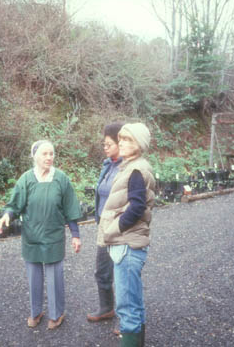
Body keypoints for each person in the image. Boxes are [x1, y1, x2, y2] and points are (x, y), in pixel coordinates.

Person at [0, 140, 82, 330]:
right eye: (44, 154)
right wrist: (6, 216)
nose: (49, 157)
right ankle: (36, 313)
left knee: (55, 278)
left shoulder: (61, 179)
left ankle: (56, 314)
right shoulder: (26, 179)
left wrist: (75, 235)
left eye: (51, 154)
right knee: (34, 278)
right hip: (32, 238)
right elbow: (14, 205)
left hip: (53, 237)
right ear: (35, 156)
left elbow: (71, 208)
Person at [97, 123, 155, 347]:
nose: (121, 142)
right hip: (130, 245)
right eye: (121, 138)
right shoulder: (130, 167)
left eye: (128, 139)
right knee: (135, 303)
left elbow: (137, 207)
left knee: (127, 307)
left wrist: (113, 229)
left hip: (127, 245)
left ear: (139, 144)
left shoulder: (136, 170)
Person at [87, 123, 123, 324]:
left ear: (121, 143)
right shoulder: (107, 164)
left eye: (109, 144)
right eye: (104, 144)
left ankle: (127, 321)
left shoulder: (127, 167)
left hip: (119, 227)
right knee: (102, 269)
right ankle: (107, 307)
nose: (105, 147)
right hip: (104, 226)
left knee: (122, 273)